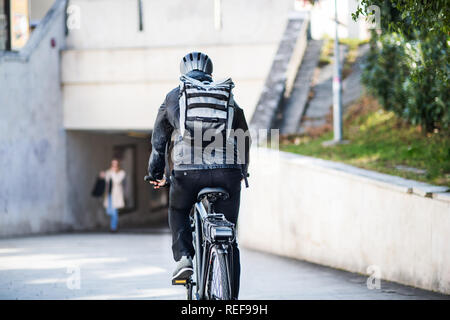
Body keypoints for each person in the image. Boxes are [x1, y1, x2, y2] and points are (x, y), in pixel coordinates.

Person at [146, 52, 251, 300]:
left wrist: (155, 172)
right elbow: (243, 136)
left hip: (187, 173)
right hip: (228, 173)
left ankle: (184, 258)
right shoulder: (226, 97)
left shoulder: (175, 96)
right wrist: (242, 171)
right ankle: (230, 296)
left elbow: (159, 140)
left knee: (179, 210)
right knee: (230, 237)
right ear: (210, 72)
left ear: (183, 72)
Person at [100, 159, 126, 233]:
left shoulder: (121, 173)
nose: (114, 166)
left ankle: (113, 228)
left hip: (116, 196)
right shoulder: (109, 172)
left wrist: (113, 172)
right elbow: (105, 181)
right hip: (109, 194)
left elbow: (117, 181)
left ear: (118, 165)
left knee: (114, 212)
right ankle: (113, 226)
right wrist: (102, 176)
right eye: (113, 164)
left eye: (115, 164)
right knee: (110, 211)